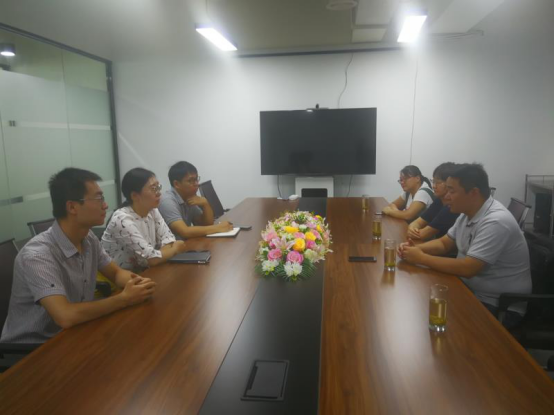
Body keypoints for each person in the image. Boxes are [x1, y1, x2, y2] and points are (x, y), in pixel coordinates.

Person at [0, 168, 156, 344]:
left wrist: (140, 284)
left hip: (74, 332)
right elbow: (65, 316)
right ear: (72, 207)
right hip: (35, 348)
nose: (105, 205)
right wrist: (124, 299)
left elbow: (116, 273)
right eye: (99, 199)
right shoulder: (37, 255)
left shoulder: (88, 238)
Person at [399, 164, 531, 328]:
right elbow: (443, 243)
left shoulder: (496, 221)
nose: (447, 196)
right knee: (419, 303)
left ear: (473, 193)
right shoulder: (466, 213)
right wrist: (415, 250)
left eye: (452, 191)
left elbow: (468, 268)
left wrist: (421, 258)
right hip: (469, 290)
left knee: (433, 321)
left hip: (497, 305)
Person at [102, 168, 188, 272]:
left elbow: (168, 240)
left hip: (144, 272)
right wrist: (175, 249)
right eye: (153, 188)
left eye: (158, 187)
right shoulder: (122, 219)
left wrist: (160, 255)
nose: (159, 193)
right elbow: (151, 259)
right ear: (135, 196)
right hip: (118, 278)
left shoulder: (152, 210)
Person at [159, 161, 233, 239]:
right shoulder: (167, 201)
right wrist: (218, 228)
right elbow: (184, 232)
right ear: (176, 184)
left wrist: (205, 204)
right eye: (190, 181)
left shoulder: (188, 197)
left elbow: (206, 224)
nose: (196, 184)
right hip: (175, 245)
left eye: (196, 179)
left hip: (187, 243)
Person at [407, 162, 460, 241]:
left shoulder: (450, 208)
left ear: (449, 183)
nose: (434, 186)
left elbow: (423, 234)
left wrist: (412, 231)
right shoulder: (438, 200)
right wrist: (412, 229)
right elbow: (417, 222)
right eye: (433, 181)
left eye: (438, 182)